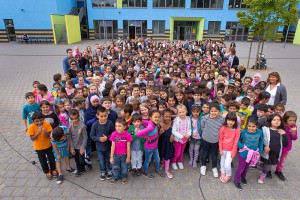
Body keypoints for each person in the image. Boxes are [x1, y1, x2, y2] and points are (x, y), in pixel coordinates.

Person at [233, 118, 263, 190]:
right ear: (247, 126)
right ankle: (236, 180)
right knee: (241, 167)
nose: (251, 128)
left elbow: (261, 140)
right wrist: (241, 146)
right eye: (249, 126)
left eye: (253, 126)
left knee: (247, 167)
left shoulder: (259, 132)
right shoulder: (243, 132)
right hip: (244, 153)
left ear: (257, 126)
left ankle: (243, 177)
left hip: (253, 153)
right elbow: (238, 140)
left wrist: (260, 149)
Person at [27, 112, 57, 180]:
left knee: (52, 159)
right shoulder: (31, 127)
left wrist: (45, 132)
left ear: (43, 119)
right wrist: (38, 132)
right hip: (39, 147)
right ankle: (47, 171)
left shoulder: (47, 124)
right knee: (43, 161)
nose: (39, 122)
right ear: (33, 121)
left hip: (48, 145)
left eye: (41, 120)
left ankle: (53, 169)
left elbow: (48, 136)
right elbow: (32, 138)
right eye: (37, 121)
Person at [259, 114, 289, 184]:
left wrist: (284, 135)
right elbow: (260, 139)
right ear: (270, 121)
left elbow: (286, 144)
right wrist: (264, 147)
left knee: (269, 166)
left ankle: (263, 172)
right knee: (265, 163)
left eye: (278, 120)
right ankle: (262, 172)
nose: (276, 121)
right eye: (274, 120)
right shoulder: (265, 129)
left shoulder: (282, 131)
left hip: (275, 153)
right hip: (266, 151)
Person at [136, 110, 165, 179]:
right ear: (150, 117)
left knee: (157, 159)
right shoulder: (150, 127)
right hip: (149, 147)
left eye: (158, 117)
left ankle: (157, 169)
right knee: (147, 160)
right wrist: (145, 136)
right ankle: (145, 172)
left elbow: (142, 122)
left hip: (155, 146)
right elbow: (138, 134)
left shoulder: (151, 123)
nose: (157, 119)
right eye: (155, 117)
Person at [90, 106, 115, 181]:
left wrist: (107, 138)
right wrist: (98, 139)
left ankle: (110, 170)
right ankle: (103, 171)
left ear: (108, 115)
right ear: (97, 116)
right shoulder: (95, 124)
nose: (104, 118)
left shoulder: (110, 123)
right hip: (99, 147)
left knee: (109, 159)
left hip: (109, 146)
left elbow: (114, 134)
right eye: (101, 116)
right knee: (101, 160)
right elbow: (92, 136)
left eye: (105, 116)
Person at [200, 103, 225, 177]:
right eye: (212, 111)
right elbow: (202, 127)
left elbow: (222, 129)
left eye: (216, 111)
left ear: (219, 111)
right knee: (204, 153)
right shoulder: (205, 118)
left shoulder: (222, 119)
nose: (214, 113)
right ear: (209, 111)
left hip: (215, 140)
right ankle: (203, 166)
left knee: (214, 155)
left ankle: (214, 168)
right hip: (206, 139)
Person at [275, 111, 298, 180]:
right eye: (290, 120)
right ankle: (268, 170)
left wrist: (293, 133)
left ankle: (278, 171)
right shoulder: (281, 126)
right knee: (274, 157)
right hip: (278, 145)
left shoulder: (294, 127)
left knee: (282, 159)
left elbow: (294, 138)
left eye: (294, 120)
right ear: (285, 119)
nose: (292, 122)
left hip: (287, 147)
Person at [218, 113, 240, 183]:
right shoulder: (223, 128)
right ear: (226, 120)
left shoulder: (237, 130)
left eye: (232, 121)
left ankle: (228, 175)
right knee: (222, 161)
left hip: (231, 150)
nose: (230, 122)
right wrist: (220, 149)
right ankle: (223, 172)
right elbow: (220, 139)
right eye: (229, 120)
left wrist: (233, 152)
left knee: (227, 164)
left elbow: (236, 142)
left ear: (235, 121)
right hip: (223, 149)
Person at [109, 118, 133, 184]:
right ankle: (115, 176)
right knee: (115, 167)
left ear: (124, 127)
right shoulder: (114, 134)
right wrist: (111, 157)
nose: (117, 128)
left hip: (124, 155)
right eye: (116, 126)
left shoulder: (128, 135)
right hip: (115, 155)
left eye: (119, 126)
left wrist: (128, 157)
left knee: (124, 168)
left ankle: (124, 177)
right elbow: (112, 146)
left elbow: (128, 147)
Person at [171, 105, 191, 170]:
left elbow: (190, 128)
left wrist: (188, 134)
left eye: (183, 112)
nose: (182, 113)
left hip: (185, 139)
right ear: (177, 113)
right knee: (177, 152)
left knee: (182, 151)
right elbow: (173, 131)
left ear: (186, 111)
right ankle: (173, 162)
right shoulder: (176, 120)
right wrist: (181, 136)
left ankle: (180, 161)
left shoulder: (188, 119)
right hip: (178, 139)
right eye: (180, 112)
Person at [69, 109, 88, 177]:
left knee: (81, 160)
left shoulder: (82, 126)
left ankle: (84, 165)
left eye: (76, 118)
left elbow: (85, 138)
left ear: (79, 117)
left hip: (80, 147)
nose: (74, 120)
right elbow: (70, 138)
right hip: (74, 147)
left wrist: (82, 148)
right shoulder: (70, 126)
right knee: (76, 160)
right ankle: (79, 169)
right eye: (72, 119)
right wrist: (71, 148)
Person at [158, 108, 174, 178]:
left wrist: (173, 135)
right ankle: (162, 163)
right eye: (166, 116)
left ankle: (167, 170)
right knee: (161, 154)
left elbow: (175, 131)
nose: (168, 118)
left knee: (168, 155)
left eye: (169, 117)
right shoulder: (159, 125)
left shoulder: (172, 123)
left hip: (169, 143)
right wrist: (160, 133)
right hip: (161, 143)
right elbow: (156, 137)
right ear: (162, 116)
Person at [189, 104, 202, 170]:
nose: (195, 113)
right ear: (191, 111)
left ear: (200, 111)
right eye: (194, 112)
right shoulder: (189, 118)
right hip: (191, 137)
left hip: (199, 138)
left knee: (196, 150)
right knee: (191, 148)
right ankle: (191, 159)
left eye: (197, 112)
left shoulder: (201, 119)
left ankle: (195, 161)